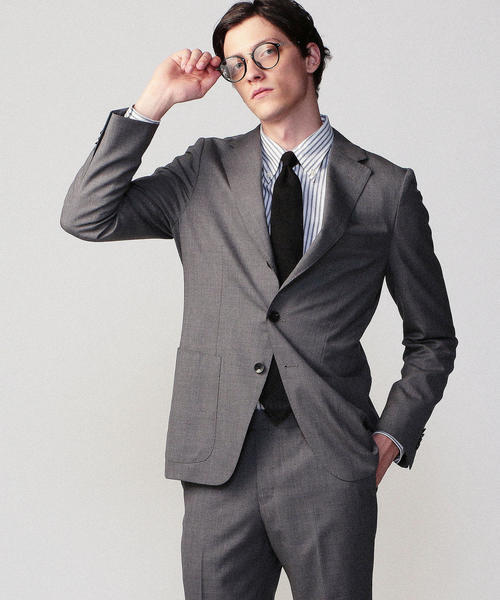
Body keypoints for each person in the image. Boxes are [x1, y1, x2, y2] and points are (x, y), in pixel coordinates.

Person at [60, 1, 458, 598]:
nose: (252, 73)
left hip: (329, 456)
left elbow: (432, 337)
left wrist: (393, 434)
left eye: (267, 52)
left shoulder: (385, 188)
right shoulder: (204, 169)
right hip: (218, 456)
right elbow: (86, 216)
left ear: (310, 56)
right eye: (236, 64)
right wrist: (154, 102)